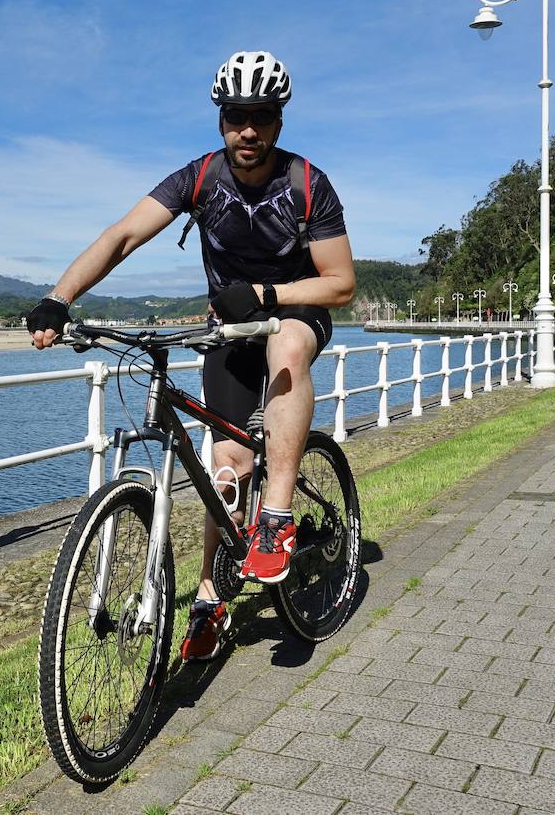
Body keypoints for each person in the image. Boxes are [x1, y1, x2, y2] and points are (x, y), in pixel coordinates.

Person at [25, 51, 355, 663]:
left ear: (278, 123)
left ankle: (278, 517)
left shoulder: (308, 183)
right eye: (235, 117)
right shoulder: (199, 179)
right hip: (226, 332)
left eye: (259, 117)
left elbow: (339, 283)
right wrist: (58, 298)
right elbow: (122, 235)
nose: (247, 130)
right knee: (224, 469)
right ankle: (209, 597)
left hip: (295, 311)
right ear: (221, 121)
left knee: (284, 340)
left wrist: (266, 295)